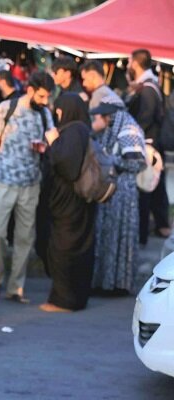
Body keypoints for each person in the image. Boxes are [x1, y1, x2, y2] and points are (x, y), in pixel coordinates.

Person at [0, 71, 56, 304]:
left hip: (31, 184)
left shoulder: (45, 114)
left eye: (47, 97)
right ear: (30, 90)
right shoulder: (6, 108)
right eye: (42, 96)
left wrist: (47, 147)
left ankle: (16, 287)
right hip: (3, 180)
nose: (45, 101)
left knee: (25, 237)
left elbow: (54, 140)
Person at [40, 93, 95, 312]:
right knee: (80, 246)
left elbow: (68, 167)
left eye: (60, 109)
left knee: (64, 248)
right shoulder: (82, 130)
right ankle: (76, 297)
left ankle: (64, 300)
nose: (57, 113)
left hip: (69, 203)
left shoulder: (73, 131)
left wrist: (53, 143)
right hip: (79, 202)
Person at [90, 97, 146, 295]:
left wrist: (107, 159)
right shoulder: (112, 130)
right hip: (112, 191)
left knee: (119, 237)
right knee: (108, 236)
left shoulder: (128, 131)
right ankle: (105, 282)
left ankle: (118, 284)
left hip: (124, 193)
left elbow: (136, 163)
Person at [127, 49, 171, 243]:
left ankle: (144, 232)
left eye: (129, 62)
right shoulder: (149, 86)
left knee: (146, 188)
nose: (128, 65)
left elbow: (145, 119)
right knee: (153, 186)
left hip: (148, 147)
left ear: (135, 64)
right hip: (152, 146)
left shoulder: (147, 90)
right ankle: (159, 225)